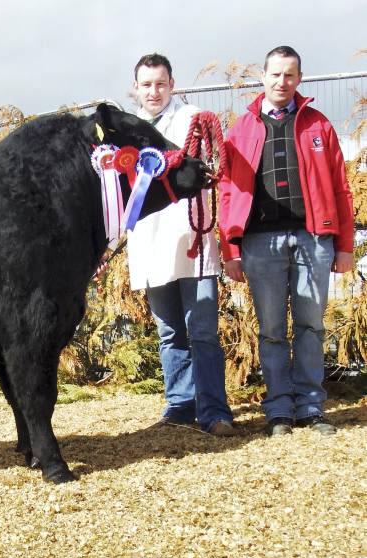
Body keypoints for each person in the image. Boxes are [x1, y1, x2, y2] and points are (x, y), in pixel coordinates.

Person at [219, 46, 354, 436]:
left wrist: (344, 246)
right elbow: (227, 193)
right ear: (263, 77)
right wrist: (231, 250)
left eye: (290, 75)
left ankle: (311, 407)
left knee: (311, 325)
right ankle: (278, 410)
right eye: (275, 74)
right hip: (260, 243)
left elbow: (341, 189)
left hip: (313, 239)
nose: (282, 82)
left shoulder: (318, 125)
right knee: (272, 330)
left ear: (300, 79)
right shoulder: (240, 129)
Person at [128, 53, 234, 436]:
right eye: (146, 84)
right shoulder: (128, 133)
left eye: (160, 83)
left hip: (193, 239)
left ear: (172, 84)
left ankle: (214, 412)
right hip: (150, 242)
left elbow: (215, 167)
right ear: (135, 88)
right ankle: (180, 406)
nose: (154, 91)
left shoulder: (193, 119)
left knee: (202, 330)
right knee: (170, 331)